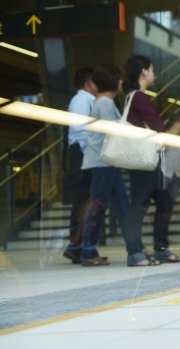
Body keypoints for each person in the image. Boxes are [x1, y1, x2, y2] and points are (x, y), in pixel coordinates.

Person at [123, 55, 180, 266]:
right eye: (152, 70)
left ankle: (161, 248)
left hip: (146, 159)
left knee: (164, 201)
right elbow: (158, 128)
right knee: (139, 204)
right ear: (144, 72)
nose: (154, 74)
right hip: (142, 160)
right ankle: (135, 252)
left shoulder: (132, 97)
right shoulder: (138, 96)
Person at [79, 64, 129, 266]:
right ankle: (87, 250)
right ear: (115, 82)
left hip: (105, 161)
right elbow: (114, 132)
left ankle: (134, 246)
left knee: (121, 205)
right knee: (98, 206)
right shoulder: (105, 104)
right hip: (103, 162)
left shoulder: (101, 102)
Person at [62, 67, 98, 264]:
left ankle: (79, 245)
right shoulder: (81, 100)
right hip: (82, 155)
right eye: (96, 82)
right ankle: (76, 245)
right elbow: (79, 129)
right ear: (88, 83)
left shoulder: (87, 100)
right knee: (83, 201)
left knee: (86, 200)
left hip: (85, 155)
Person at [163, 114, 180, 202]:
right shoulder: (164, 136)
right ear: (176, 123)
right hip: (165, 174)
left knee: (171, 201)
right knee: (162, 202)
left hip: (177, 175)